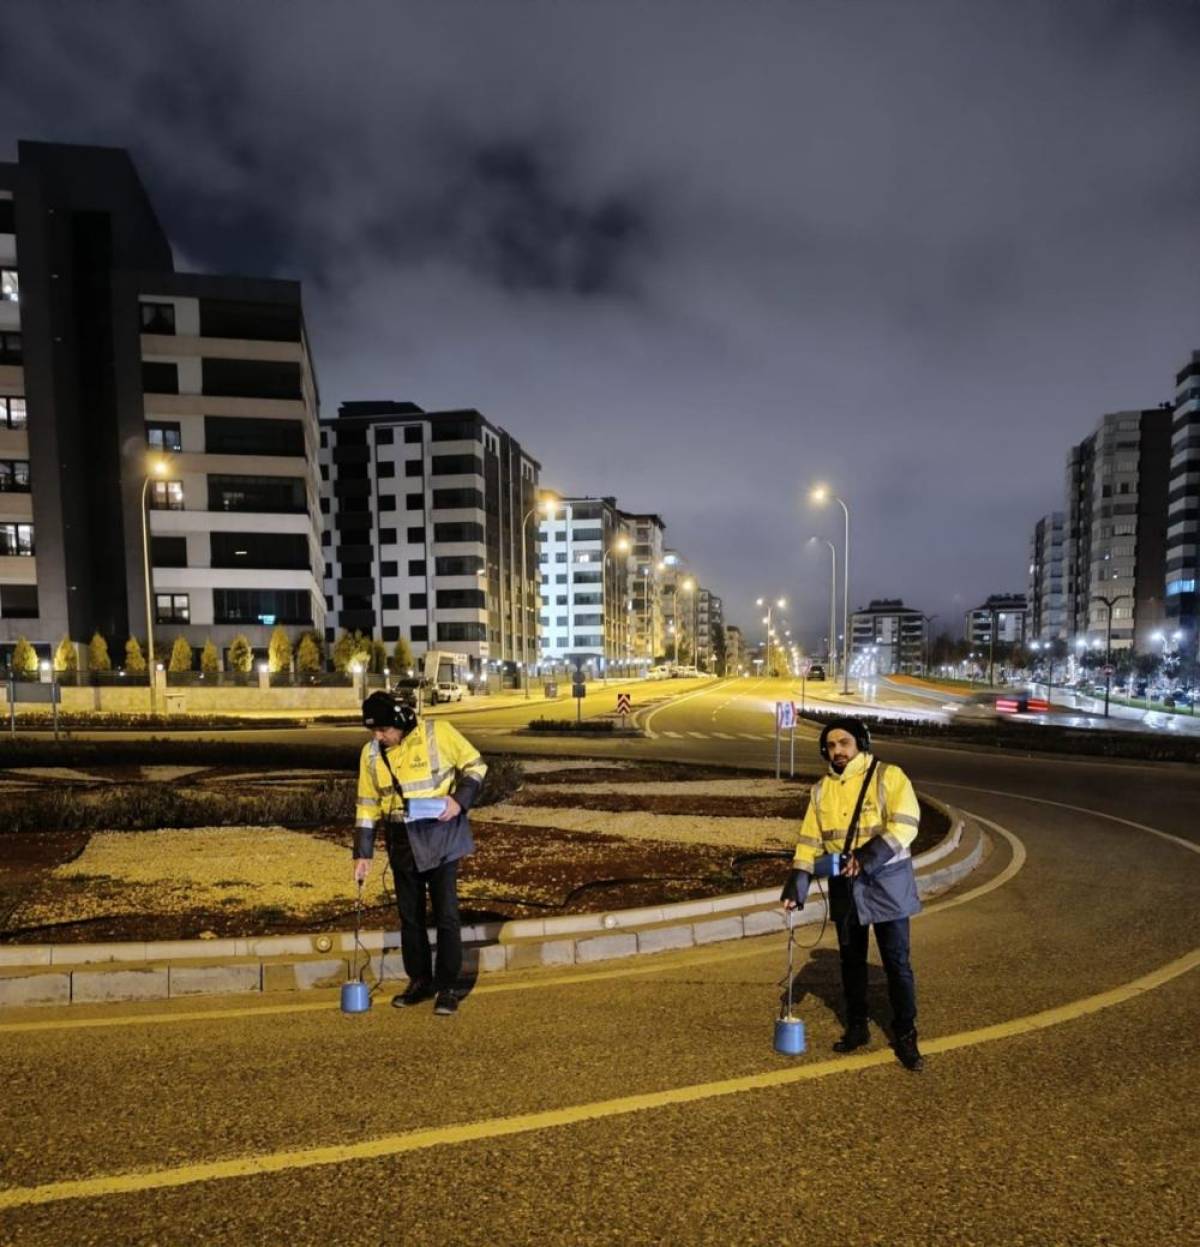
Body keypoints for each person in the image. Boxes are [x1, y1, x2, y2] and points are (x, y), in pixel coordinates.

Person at [781, 717, 925, 1071]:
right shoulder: (821, 790)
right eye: (831, 746)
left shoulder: (888, 776)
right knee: (851, 962)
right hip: (844, 886)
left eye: (844, 743)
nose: (837, 751)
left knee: (897, 962)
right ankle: (857, 1026)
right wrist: (797, 882)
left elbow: (907, 822)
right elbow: (809, 839)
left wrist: (868, 856)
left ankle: (905, 1033)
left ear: (860, 743)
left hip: (887, 882)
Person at [352, 690, 488, 1016]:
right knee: (410, 918)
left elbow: (476, 765)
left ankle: (448, 987)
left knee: (446, 915)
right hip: (401, 839)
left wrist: (459, 800)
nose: (379, 737)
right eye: (374, 731)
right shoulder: (370, 754)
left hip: (440, 834)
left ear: (400, 721)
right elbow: (367, 805)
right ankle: (420, 981)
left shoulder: (438, 733)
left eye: (384, 730)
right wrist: (363, 854)